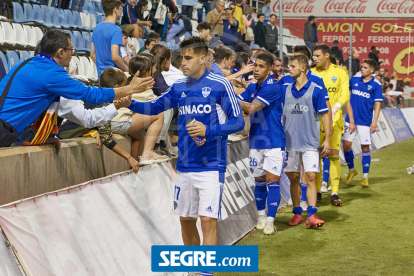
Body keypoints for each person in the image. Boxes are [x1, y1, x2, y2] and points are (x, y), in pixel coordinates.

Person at [127, 37, 244, 276]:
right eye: (181, 58)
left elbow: (238, 122)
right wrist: (129, 103)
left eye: (188, 58)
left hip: (212, 165)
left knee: (207, 221)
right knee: (186, 220)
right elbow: (153, 108)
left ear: (203, 59)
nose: (183, 63)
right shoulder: (179, 87)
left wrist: (209, 131)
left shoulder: (221, 85)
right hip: (185, 166)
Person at [0, 29, 153, 148]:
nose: (72, 55)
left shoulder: (28, 61)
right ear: (61, 52)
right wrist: (129, 89)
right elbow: (90, 95)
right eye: (71, 50)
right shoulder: (53, 74)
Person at [237, 53, 285, 234]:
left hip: (273, 141)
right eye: (255, 65)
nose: (256, 69)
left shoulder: (272, 88)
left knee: (273, 182)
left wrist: (231, 99)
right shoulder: (253, 86)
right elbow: (241, 96)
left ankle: (271, 221)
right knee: (259, 181)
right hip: (256, 140)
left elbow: (250, 107)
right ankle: (261, 216)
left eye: (261, 66)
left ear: (270, 68)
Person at [282, 55, 331, 227]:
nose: (289, 68)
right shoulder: (285, 89)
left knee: (310, 176)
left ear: (303, 68)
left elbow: (325, 114)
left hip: (310, 143)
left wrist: (327, 140)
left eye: (292, 66)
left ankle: (311, 214)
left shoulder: (316, 89)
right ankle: (297, 213)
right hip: (290, 143)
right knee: (294, 178)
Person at [311, 44, 351, 206]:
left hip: (334, 120)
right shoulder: (311, 73)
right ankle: (319, 190)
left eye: (317, 56)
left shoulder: (340, 72)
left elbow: (345, 95)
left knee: (333, 155)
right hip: (314, 122)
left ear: (327, 55)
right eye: (313, 56)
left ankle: (334, 192)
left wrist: (333, 110)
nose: (314, 59)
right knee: (316, 156)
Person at [111, 57, 168, 164]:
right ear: (147, 73)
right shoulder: (143, 86)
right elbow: (156, 105)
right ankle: (147, 154)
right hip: (120, 122)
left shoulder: (124, 78)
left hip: (110, 119)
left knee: (141, 136)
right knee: (159, 114)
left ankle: (135, 165)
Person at [342, 59, 383, 187]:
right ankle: (351, 170)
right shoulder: (354, 80)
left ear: (372, 70)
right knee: (346, 145)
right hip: (350, 120)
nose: (362, 69)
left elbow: (377, 105)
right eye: (362, 67)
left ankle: (365, 177)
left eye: (365, 67)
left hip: (365, 121)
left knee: (365, 147)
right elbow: (343, 93)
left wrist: (374, 122)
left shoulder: (376, 85)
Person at [91, 0, 128, 75]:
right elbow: (115, 57)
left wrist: (101, 68)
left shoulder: (96, 28)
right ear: (115, 9)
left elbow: (92, 54)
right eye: (120, 9)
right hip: (114, 75)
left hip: (102, 75)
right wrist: (127, 69)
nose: (121, 12)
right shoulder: (116, 29)